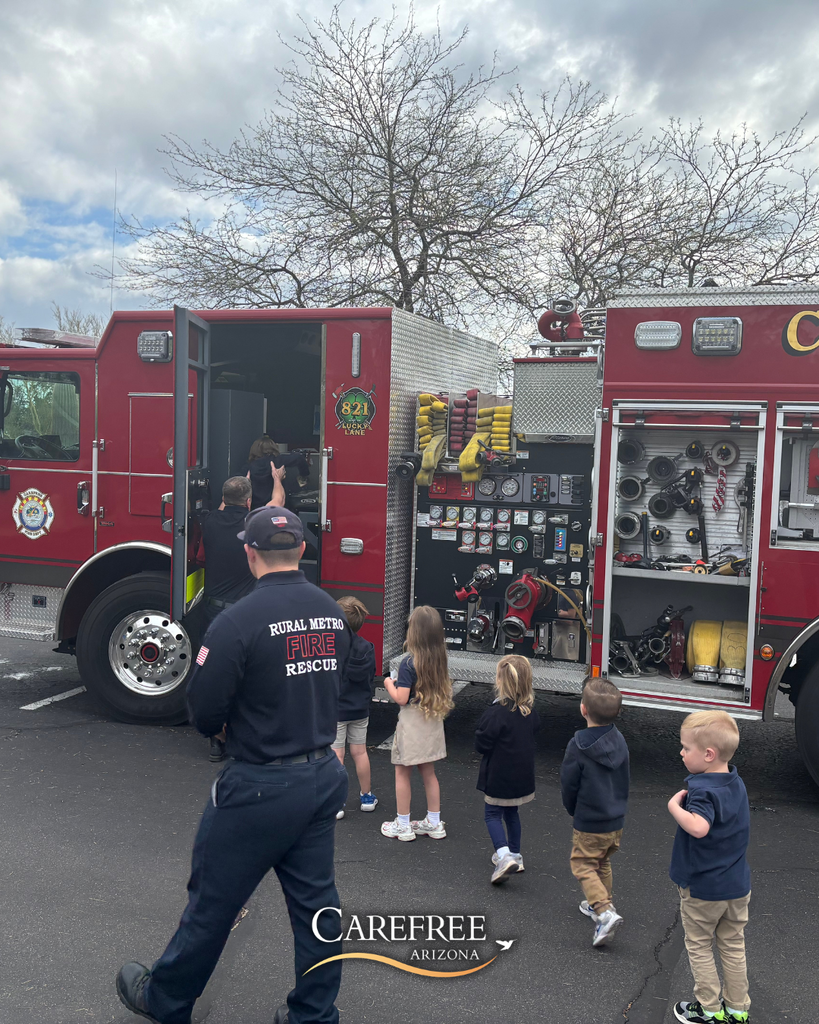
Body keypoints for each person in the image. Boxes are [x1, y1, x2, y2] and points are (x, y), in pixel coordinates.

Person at [116, 506, 351, 1024]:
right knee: (318, 910)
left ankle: (167, 1000)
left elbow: (203, 712)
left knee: (213, 904)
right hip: (320, 776)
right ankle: (314, 1014)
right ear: (303, 550)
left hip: (260, 785)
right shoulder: (331, 612)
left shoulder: (236, 621)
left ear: (249, 553)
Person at [668, 711, 751, 1024]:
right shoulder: (735, 782)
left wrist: (674, 806)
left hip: (704, 887)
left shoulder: (702, 791)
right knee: (732, 945)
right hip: (737, 885)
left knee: (700, 945)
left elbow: (699, 827)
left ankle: (710, 1009)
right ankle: (738, 1010)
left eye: (686, 748)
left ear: (708, 754)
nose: (681, 752)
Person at [198, 471, 285, 762]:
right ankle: (244, 736)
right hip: (244, 613)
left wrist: (235, 488)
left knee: (216, 674)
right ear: (249, 502)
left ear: (223, 499)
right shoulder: (253, 523)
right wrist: (275, 478)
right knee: (247, 674)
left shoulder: (208, 521)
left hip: (213, 611)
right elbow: (278, 501)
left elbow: (227, 504)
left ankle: (216, 739)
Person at [560, 677, 630, 947]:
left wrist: (572, 808)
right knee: (603, 861)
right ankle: (601, 905)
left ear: (583, 709)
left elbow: (569, 782)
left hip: (589, 819)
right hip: (615, 818)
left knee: (583, 864)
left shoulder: (578, 745)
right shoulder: (620, 740)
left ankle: (603, 911)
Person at [380, 605, 453, 842]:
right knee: (429, 774)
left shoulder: (408, 663)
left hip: (411, 722)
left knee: (402, 772)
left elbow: (401, 698)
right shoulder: (440, 658)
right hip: (432, 719)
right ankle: (434, 821)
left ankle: (403, 824)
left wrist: (388, 683)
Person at [474, 654, 540, 885]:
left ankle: (503, 856)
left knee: (492, 814)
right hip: (522, 776)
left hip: (499, 775)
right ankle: (516, 854)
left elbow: (481, 743)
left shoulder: (495, 713)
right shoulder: (529, 712)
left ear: (500, 681)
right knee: (512, 813)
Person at [333, 595, 378, 820]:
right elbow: (371, 676)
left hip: (337, 711)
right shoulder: (367, 648)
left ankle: (338, 802)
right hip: (360, 709)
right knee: (359, 752)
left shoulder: (333, 649)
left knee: (337, 754)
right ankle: (367, 796)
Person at [245, 434, 311, 510]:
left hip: (255, 508)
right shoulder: (278, 461)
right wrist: (304, 474)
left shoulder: (249, 467)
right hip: (278, 507)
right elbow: (299, 458)